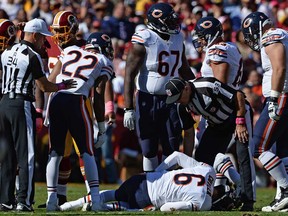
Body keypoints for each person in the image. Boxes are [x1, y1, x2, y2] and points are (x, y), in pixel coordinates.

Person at [0, 18, 75, 212]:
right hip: (20, 104)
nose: (44, 42)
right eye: (42, 38)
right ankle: (23, 200)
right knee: (27, 156)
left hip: (3, 104)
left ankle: (5, 199)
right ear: (35, 35)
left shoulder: (7, 51)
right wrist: (61, 85)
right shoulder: (31, 55)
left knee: (7, 156)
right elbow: (43, 86)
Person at [191, 16, 256, 211]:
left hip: (230, 108)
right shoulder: (230, 47)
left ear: (210, 35)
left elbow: (220, 87)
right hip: (224, 109)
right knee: (204, 155)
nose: (199, 41)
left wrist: (236, 118)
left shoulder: (218, 50)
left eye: (202, 36)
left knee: (243, 155)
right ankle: (215, 193)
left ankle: (246, 198)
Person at [45, 31, 115, 211]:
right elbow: (98, 94)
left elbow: (51, 80)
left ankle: (51, 201)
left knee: (55, 153)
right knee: (87, 152)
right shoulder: (103, 61)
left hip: (57, 99)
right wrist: (101, 127)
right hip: (77, 101)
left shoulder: (69, 50)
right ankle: (97, 200)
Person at [123, 2, 195, 172]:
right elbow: (129, 74)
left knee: (171, 146)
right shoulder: (145, 39)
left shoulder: (178, 37)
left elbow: (184, 69)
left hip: (172, 99)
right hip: (147, 99)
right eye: (169, 20)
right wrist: (128, 108)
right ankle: (151, 185)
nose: (173, 23)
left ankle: (167, 185)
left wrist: (198, 88)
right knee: (149, 148)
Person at [241, 11, 288, 212]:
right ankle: (282, 197)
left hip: (281, 96)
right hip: (283, 95)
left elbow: (279, 68)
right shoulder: (282, 34)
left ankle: (286, 191)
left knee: (259, 147)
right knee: (282, 150)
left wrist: (273, 97)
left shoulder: (272, 36)